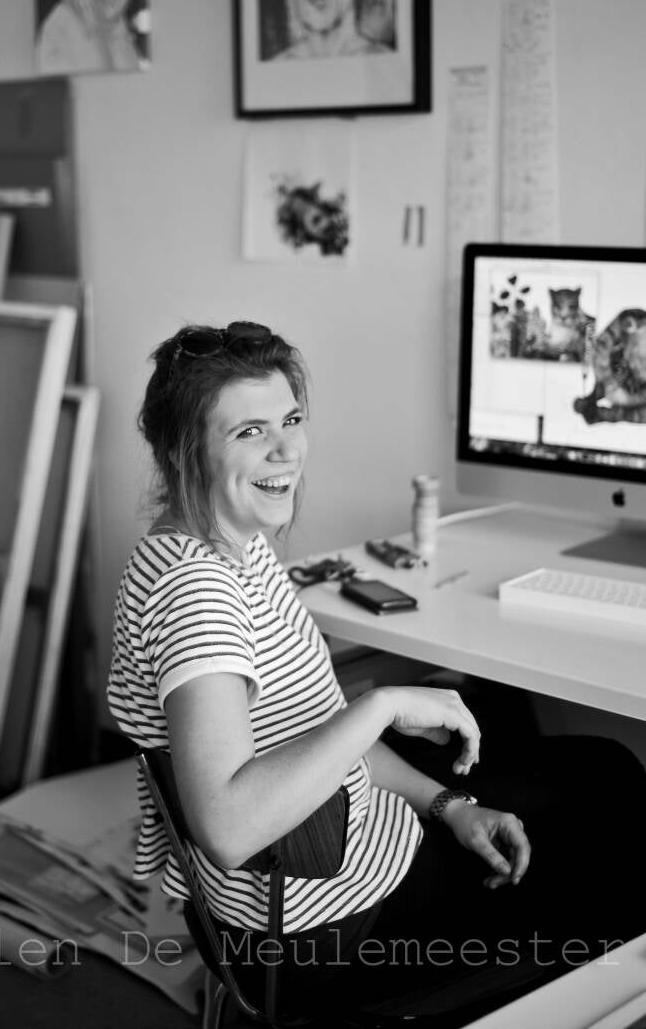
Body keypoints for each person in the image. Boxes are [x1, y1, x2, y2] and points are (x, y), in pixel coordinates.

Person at [108, 321, 646, 1021]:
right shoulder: (197, 593)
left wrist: (449, 807)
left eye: (290, 420)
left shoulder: (219, 545)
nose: (286, 450)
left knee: (576, 765)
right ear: (184, 451)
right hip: (328, 930)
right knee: (611, 793)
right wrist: (382, 706)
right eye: (249, 432)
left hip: (332, 870)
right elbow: (230, 827)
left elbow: (319, 742)